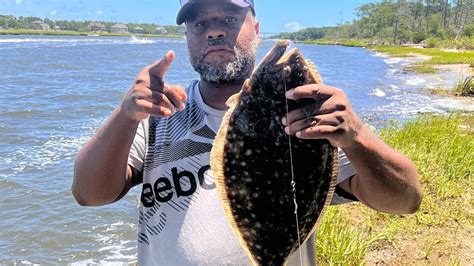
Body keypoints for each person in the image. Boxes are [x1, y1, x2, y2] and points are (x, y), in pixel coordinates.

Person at [72, 0, 423, 264]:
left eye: (228, 18)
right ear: (188, 36)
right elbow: (90, 194)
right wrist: (124, 114)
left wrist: (356, 135)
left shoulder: (307, 114)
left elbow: (405, 201)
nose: (214, 31)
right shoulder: (158, 115)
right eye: (200, 23)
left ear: (256, 27)